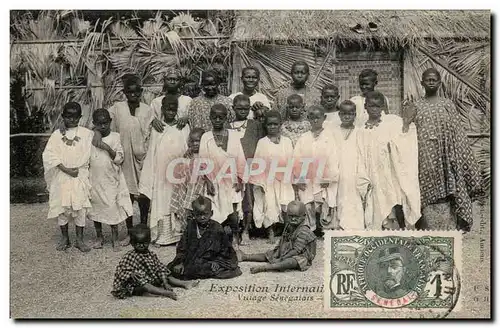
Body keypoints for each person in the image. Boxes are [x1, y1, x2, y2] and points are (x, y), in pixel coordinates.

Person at [403, 68, 482, 231]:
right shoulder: (416, 106)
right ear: (422, 83)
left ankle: (448, 229)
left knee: (448, 187)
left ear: (440, 83)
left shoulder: (447, 104)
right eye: (428, 79)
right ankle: (426, 227)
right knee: (424, 190)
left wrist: (458, 155)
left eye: (434, 79)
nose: (431, 82)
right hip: (424, 157)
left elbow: (457, 132)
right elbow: (407, 132)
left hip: (446, 155)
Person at [356, 91, 421, 230]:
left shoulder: (391, 123)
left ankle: (401, 229)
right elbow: (359, 154)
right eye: (371, 106)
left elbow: (404, 138)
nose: (374, 109)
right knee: (376, 203)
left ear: (382, 107)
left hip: (390, 172)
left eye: (378, 106)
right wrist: (363, 177)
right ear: (365, 106)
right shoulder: (360, 130)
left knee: (394, 198)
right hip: (371, 173)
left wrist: (406, 125)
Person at [107, 74, 157, 244]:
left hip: (142, 158)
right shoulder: (117, 108)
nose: (133, 95)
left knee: (143, 194)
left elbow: (152, 130)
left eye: (136, 92)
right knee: (127, 193)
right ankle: (129, 231)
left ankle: (143, 228)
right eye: (130, 92)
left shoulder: (147, 109)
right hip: (125, 159)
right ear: (125, 92)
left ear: (141, 92)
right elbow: (103, 123)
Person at [139, 95, 190, 246]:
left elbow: (187, 150)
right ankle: (162, 236)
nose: (170, 112)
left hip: (179, 174)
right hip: (161, 175)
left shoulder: (183, 127)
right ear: (161, 109)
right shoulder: (157, 128)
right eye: (167, 109)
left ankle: (178, 236)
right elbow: (152, 153)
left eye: (173, 109)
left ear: (177, 111)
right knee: (162, 202)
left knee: (178, 201)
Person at [42, 102, 93, 252]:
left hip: (79, 175)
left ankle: (79, 239)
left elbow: (97, 138)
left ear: (80, 117)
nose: (72, 120)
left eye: (75, 117)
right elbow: (49, 155)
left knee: (80, 207)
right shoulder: (57, 135)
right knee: (62, 207)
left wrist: (96, 132)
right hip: (62, 176)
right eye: (68, 116)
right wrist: (66, 170)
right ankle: (65, 238)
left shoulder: (86, 133)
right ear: (63, 116)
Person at [199, 104, 246, 247]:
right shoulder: (206, 137)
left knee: (233, 209)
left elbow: (240, 158)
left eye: (221, 117)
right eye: (215, 117)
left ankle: (236, 236)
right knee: (214, 209)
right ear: (210, 118)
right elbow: (202, 161)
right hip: (213, 179)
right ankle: (214, 238)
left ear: (226, 118)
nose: (218, 120)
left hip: (231, 178)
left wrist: (240, 180)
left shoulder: (234, 135)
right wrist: (207, 181)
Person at [111, 224, 199, 300]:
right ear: (132, 243)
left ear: (149, 241)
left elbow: (159, 268)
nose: (141, 246)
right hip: (134, 284)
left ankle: (184, 283)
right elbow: (121, 270)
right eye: (138, 243)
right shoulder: (129, 256)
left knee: (166, 273)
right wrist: (131, 274)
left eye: (144, 243)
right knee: (142, 282)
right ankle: (165, 293)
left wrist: (165, 282)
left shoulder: (151, 254)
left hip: (149, 277)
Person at [88, 109, 133, 251]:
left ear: (110, 122)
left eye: (105, 123)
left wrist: (107, 148)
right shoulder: (90, 137)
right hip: (94, 179)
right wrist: (95, 133)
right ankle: (99, 237)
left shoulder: (116, 137)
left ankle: (114, 238)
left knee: (112, 208)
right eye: (99, 124)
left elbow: (120, 158)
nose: (102, 126)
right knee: (96, 208)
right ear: (94, 124)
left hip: (111, 179)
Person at [167, 196, 243, 280]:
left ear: (211, 213)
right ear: (193, 214)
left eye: (205, 214)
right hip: (192, 259)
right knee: (172, 269)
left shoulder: (217, 228)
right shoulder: (191, 226)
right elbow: (182, 246)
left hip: (210, 260)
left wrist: (217, 262)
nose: (202, 217)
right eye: (199, 215)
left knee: (202, 268)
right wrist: (180, 262)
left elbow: (226, 250)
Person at [250, 110, 295, 243]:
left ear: (280, 125)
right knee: (269, 205)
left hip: (284, 178)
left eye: (275, 124)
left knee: (286, 204)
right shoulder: (262, 142)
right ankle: (270, 232)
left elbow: (291, 159)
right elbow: (258, 163)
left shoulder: (286, 141)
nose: (272, 127)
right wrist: (261, 182)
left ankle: (288, 231)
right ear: (266, 126)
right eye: (269, 124)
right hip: (268, 179)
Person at [293, 105, 340, 234]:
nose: (315, 120)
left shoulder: (329, 137)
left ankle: (325, 228)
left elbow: (333, 158)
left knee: (324, 201)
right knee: (308, 202)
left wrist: (329, 177)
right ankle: (310, 229)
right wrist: (299, 177)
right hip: (307, 176)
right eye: (312, 117)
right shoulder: (304, 138)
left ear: (324, 118)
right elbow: (297, 158)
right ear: (308, 118)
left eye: (318, 117)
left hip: (323, 176)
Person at [238, 200, 316, 274]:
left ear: (304, 216)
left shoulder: (304, 230)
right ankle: (246, 256)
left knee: (291, 261)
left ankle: (266, 268)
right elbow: (283, 240)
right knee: (270, 253)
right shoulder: (289, 225)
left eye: (296, 217)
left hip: (302, 255)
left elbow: (296, 251)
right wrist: (278, 252)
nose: (293, 219)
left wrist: (281, 259)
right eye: (290, 216)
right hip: (289, 249)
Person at [229, 94, 266, 244]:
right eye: (239, 108)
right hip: (233, 169)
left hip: (251, 167)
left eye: (246, 108)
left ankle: (246, 231)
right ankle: (234, 231)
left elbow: (263, 143)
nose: (243, 111)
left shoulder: (255, 125)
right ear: (233, 108)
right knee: (234, 200)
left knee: (249, 200)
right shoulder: (228, 126)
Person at [169, 128, 211, 232]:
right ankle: (186, 231)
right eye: (192, 141)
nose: (195, 144)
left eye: (198, 141)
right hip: (187, 186)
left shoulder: (206, 154)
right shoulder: (187, 154)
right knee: (184, 209)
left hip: (200, 187)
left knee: (199, 210)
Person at [331, 100, 365, 230]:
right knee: (339, 196)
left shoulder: (359, 131)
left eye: (350, 114)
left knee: (354, 196)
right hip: (338, 169)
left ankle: (355, 225)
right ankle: (340, 224)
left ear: (355, 115)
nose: (347, 116)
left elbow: (361, 152)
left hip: (353, 169)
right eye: (344, 113)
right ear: (339, 115)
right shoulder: (334, 131)